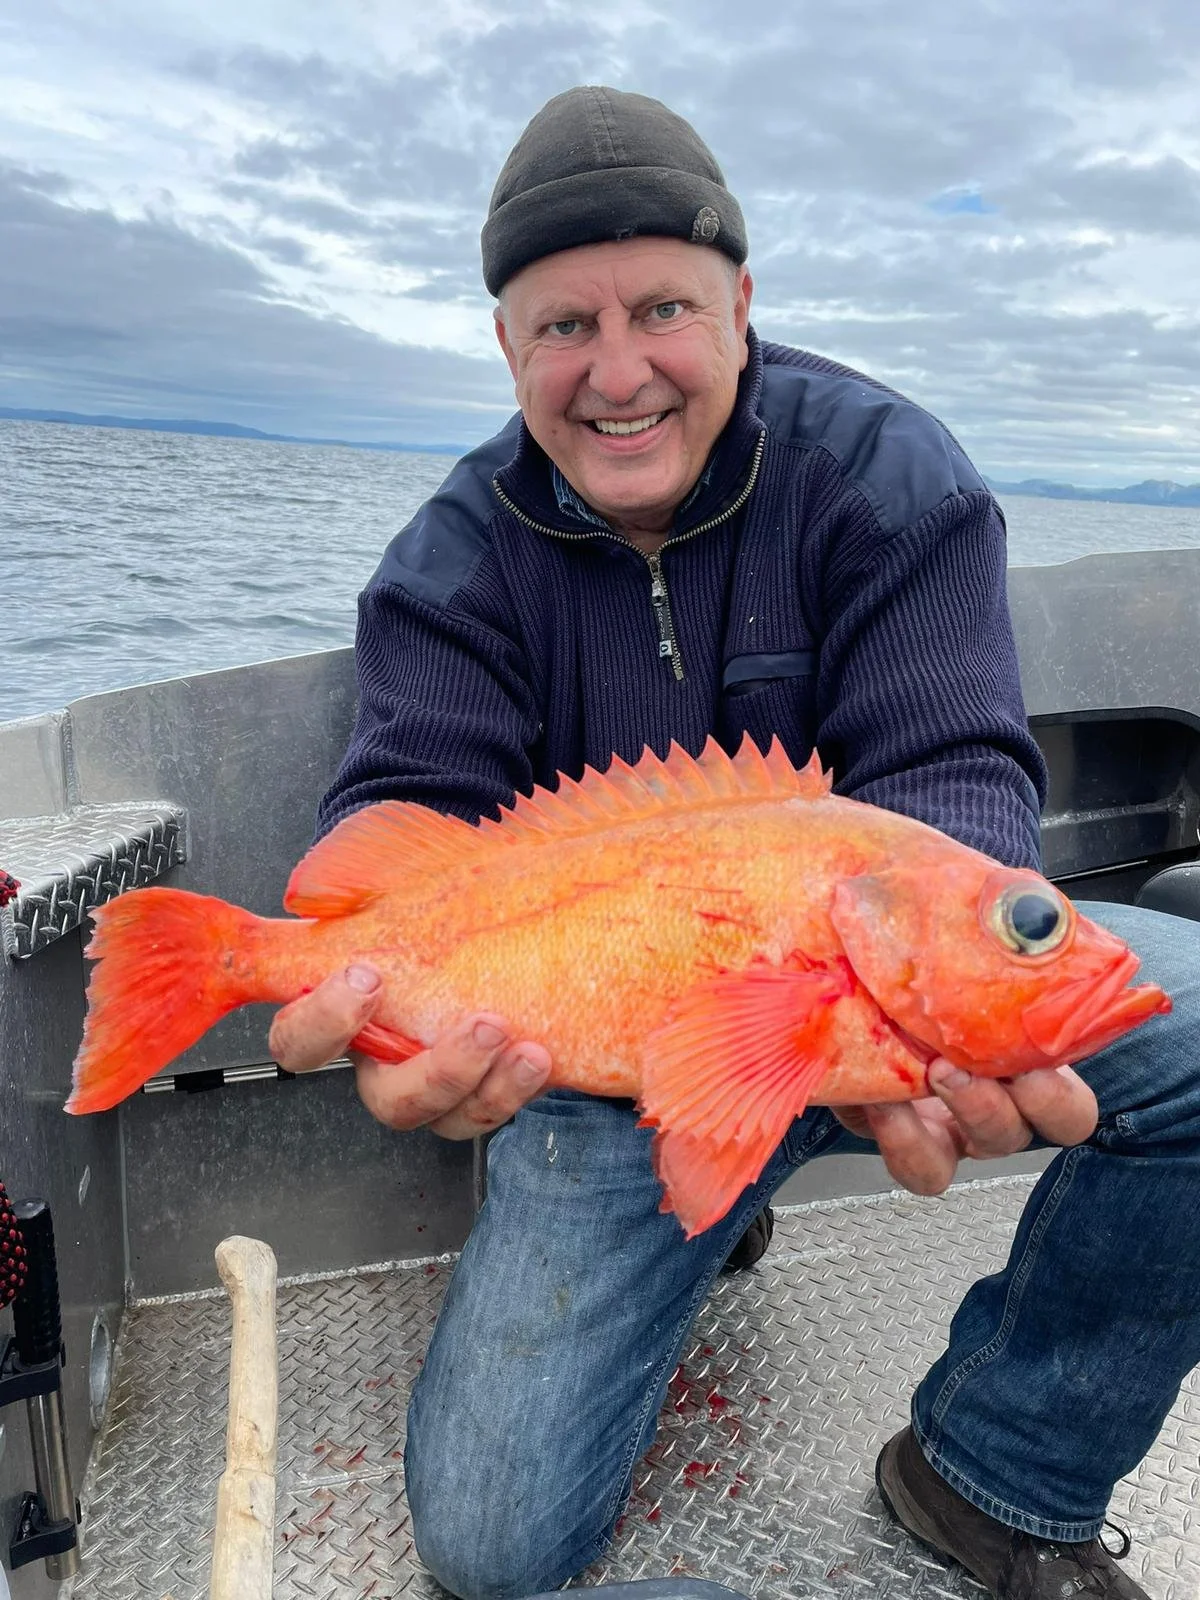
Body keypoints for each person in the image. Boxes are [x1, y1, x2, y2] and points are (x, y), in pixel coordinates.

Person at [267, 86, 1199, 1600]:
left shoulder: (891, 477)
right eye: (564, 327)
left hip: (871, 1005)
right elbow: (407, 812)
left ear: (743, 307)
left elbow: (955, 771)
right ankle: (716, 1197)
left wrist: (938, 1009)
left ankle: (996, 1473)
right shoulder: (449, 564)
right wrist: (370, 992)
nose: (618, 371)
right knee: (493, 1547)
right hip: (607, 1055)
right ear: (506, 346)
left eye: (663, 310)